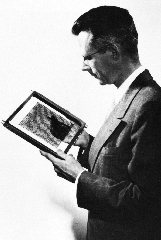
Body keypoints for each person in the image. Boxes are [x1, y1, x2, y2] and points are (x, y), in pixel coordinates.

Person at [40, 6, 161, 240]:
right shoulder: (130, 96)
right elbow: (122, 163)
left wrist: (79, 176)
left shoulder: (151, 104)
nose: (83, 66)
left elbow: (145, 201)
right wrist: (86, 143)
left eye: (88, 57)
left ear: (113, 52)